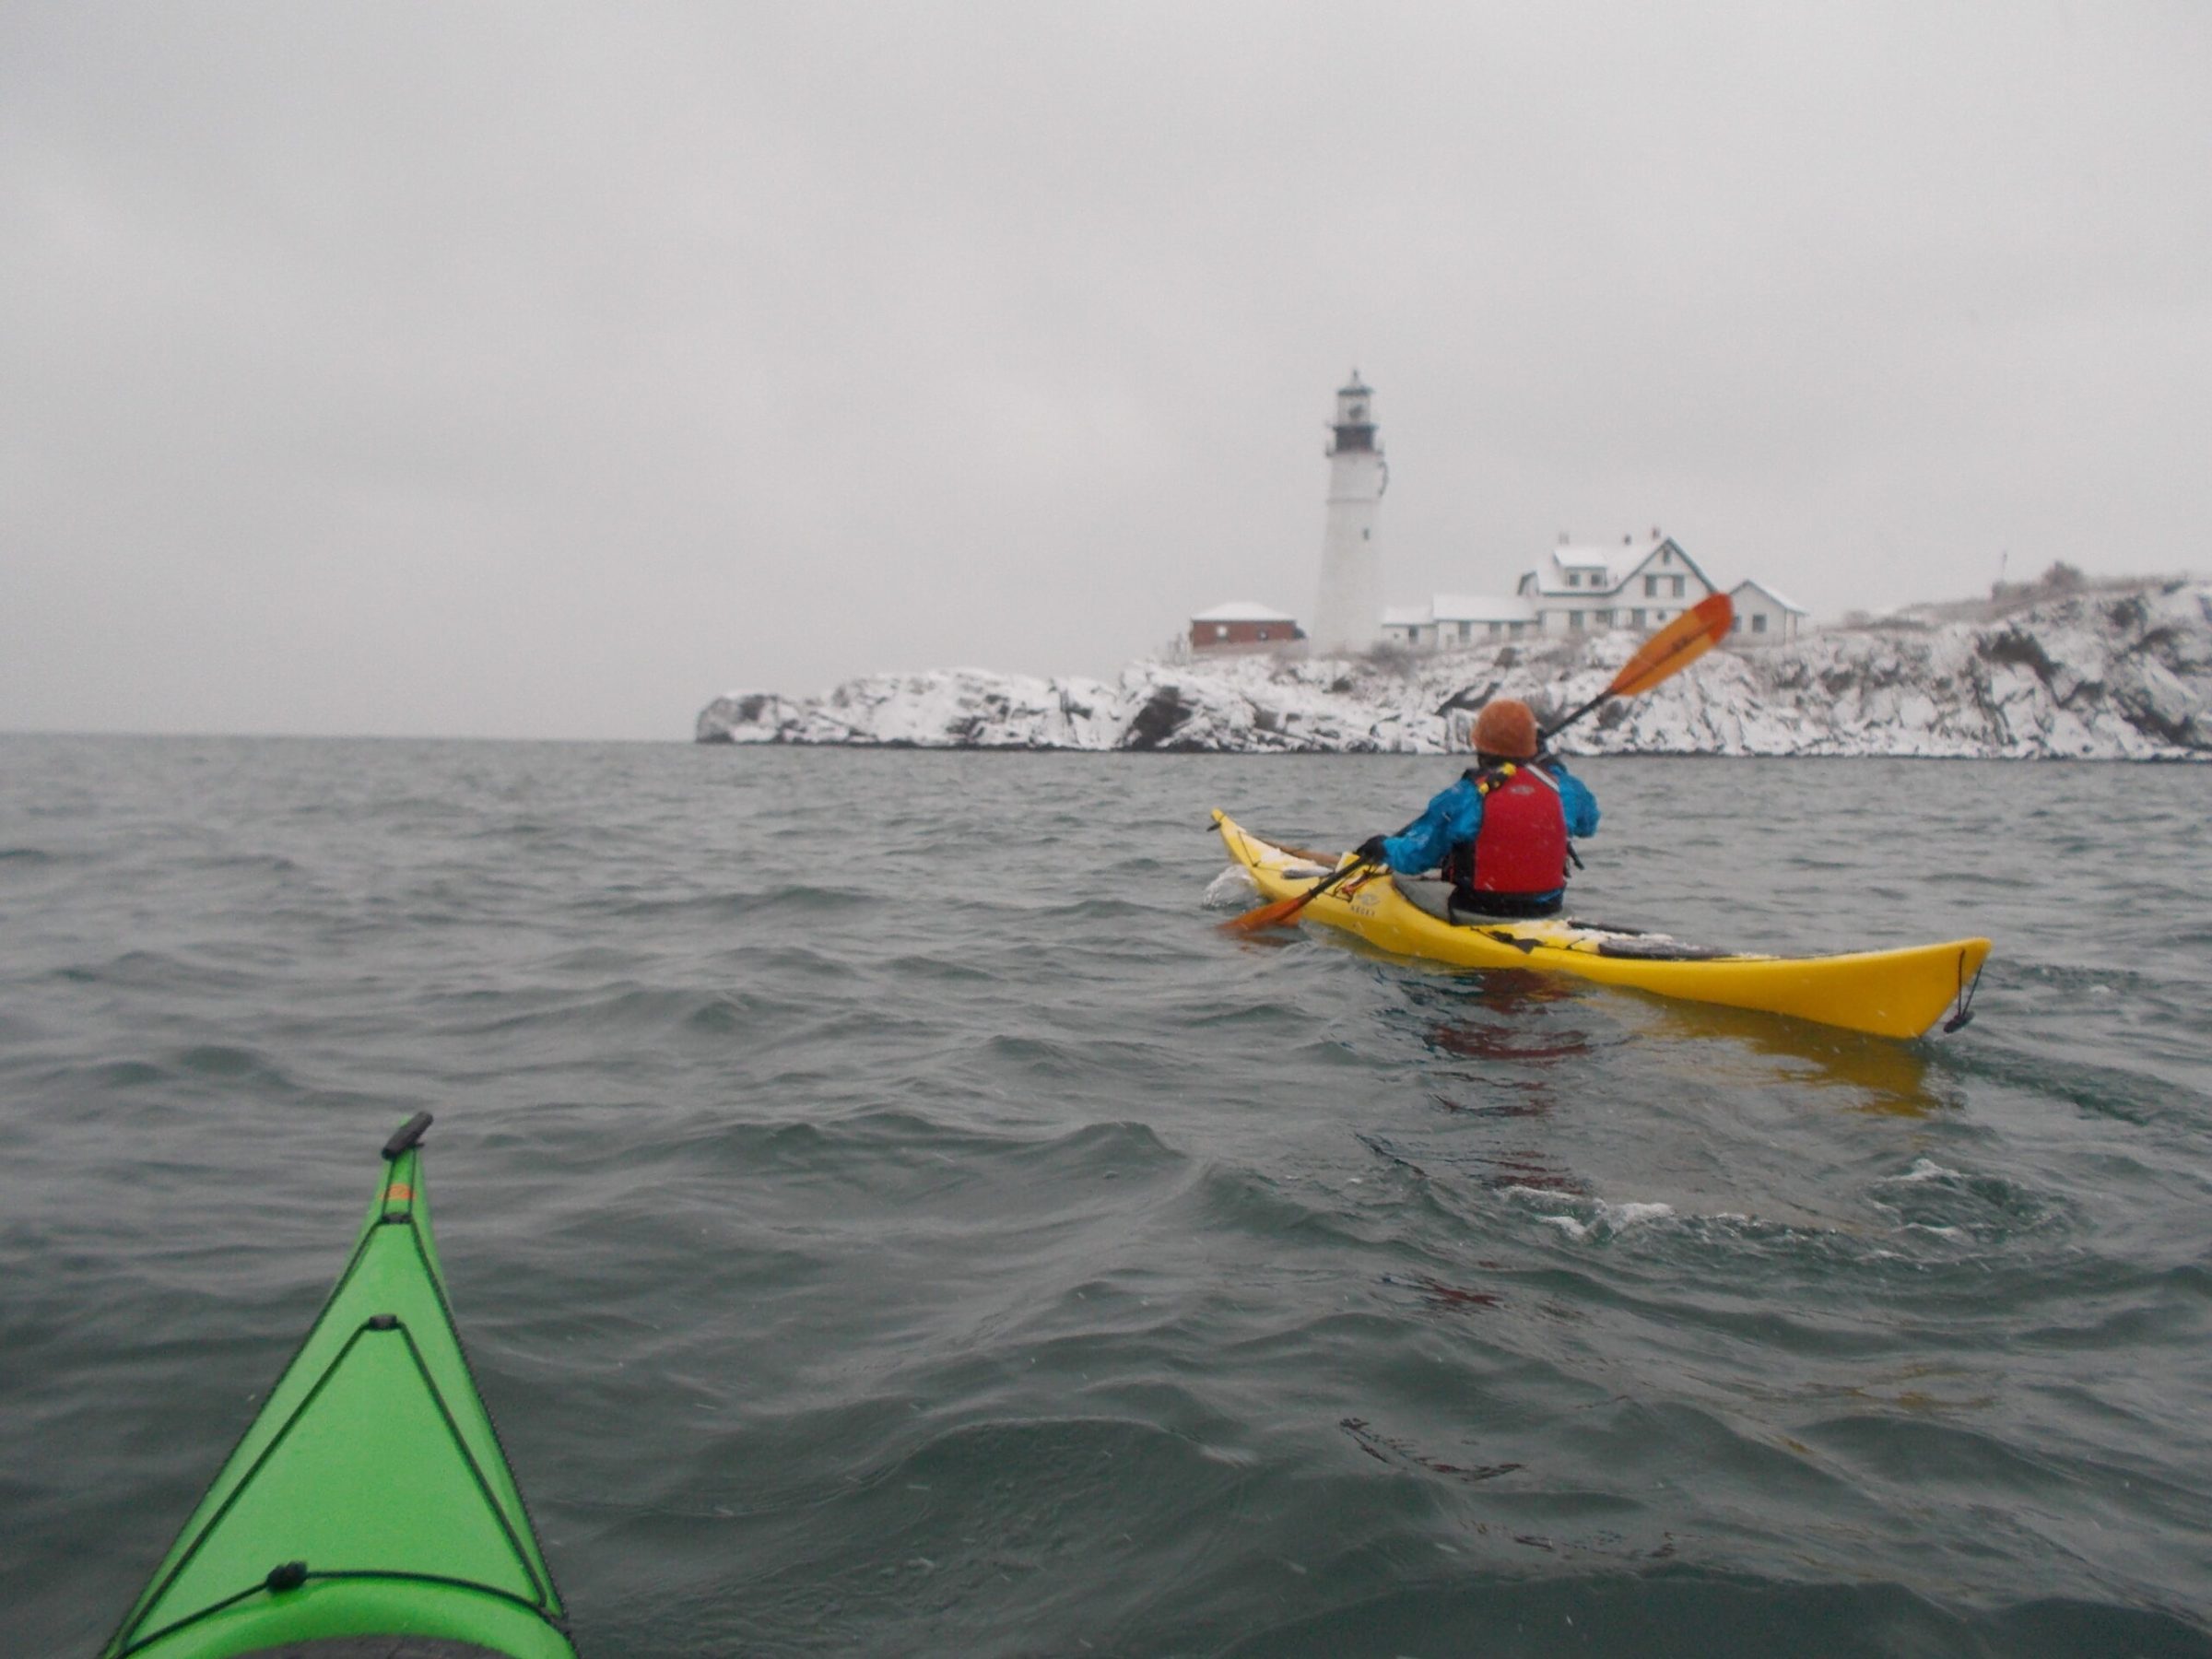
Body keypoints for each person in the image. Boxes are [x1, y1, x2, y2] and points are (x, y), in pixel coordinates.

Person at [1352, 698, 1598, 919]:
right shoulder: (1563, 787)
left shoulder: (1466, 794)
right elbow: (1588, 824)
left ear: (1480, 744)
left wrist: (1383, 847)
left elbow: (1415, 858)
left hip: (1480, 908)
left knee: (1399, 879)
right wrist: (1551, 765)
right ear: (1533, 746)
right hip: (1548, 908)